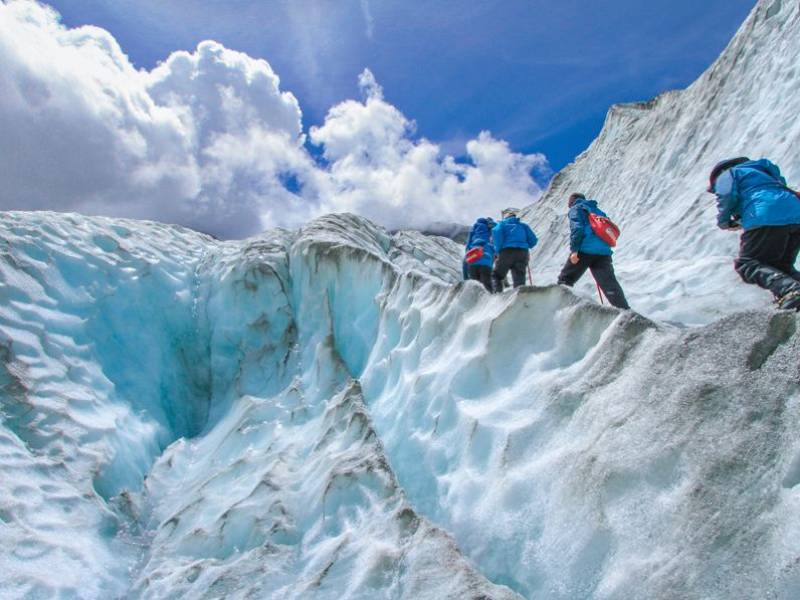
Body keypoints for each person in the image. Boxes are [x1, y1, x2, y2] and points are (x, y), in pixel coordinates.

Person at [708, 157, 800, 310]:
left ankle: (792, 291)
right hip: (796, 215)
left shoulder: (728, 174)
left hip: (766, 215)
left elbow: (726, 195)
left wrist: (724, 221)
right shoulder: (765, 172)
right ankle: (789, 293)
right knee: (780, 267)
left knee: (747, 264)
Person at [557, 193, 630, 309]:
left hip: (585, 250)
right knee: (609, 284)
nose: (568, 203)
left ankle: (558, 306)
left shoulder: (575, 209)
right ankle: (625, 310)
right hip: (604, 252)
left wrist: (575, 251)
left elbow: (577, 229)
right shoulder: (598, 210)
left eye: (569, 200)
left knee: (565, 279)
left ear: (573, 200)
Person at [492, 209, 537, 291]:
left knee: (497, 276)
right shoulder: (523, 226)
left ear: (505, 218)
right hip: (522, 253)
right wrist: (527, 245)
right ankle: (520, 298)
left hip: (506, 252)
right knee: (519, 280)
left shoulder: (501, 225)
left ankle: (496, 296)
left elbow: (497, 235)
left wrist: (497, 250)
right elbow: (533, 240)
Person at [464, 217, 496, 292]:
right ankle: (490, 301)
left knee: (475, 287)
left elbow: (467, 246)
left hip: (472, 262)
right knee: (487, 285)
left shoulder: (473, 231)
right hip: (486, 264)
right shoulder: (489, 241)